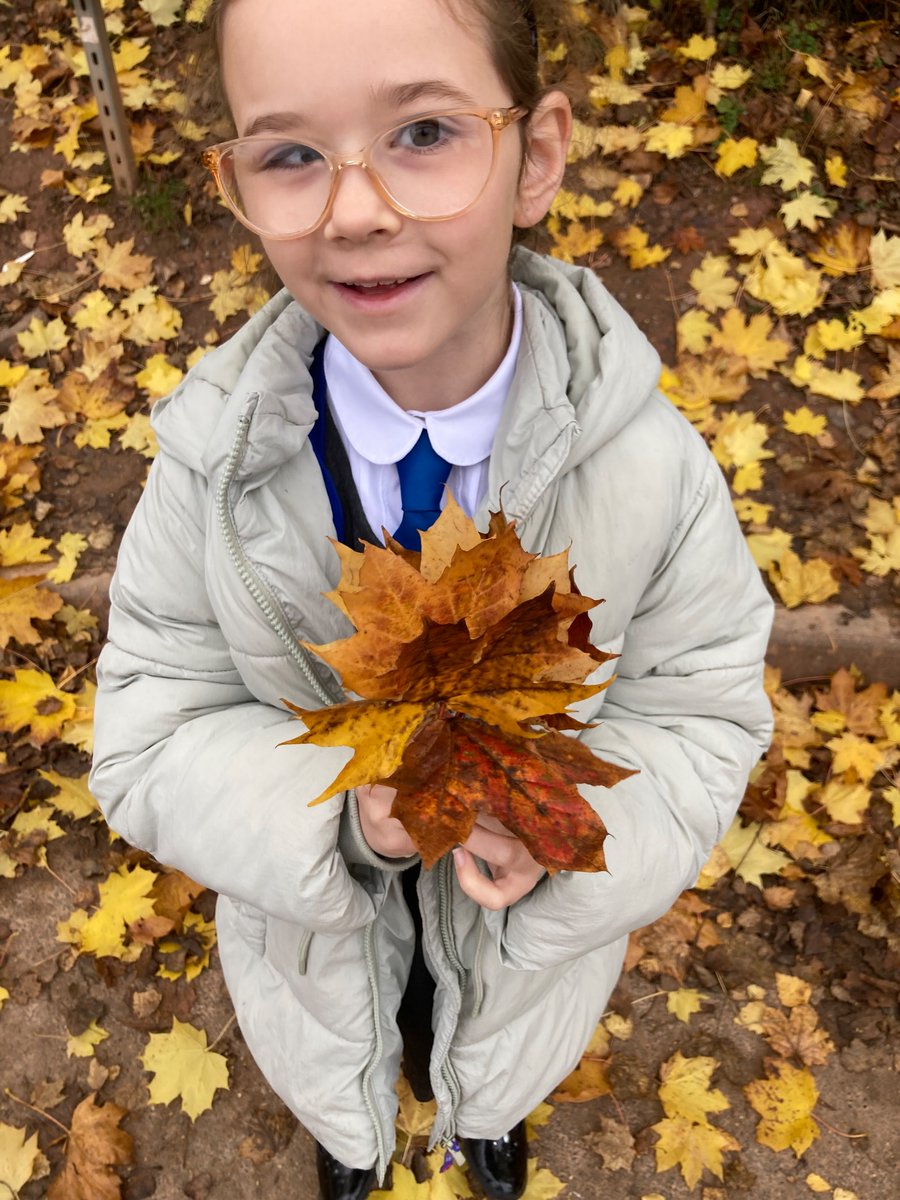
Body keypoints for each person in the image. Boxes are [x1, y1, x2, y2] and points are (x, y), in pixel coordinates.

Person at [89, 1, 774, 1197]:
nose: (356, 211)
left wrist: (570, 841)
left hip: (525, 954)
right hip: (316, 946)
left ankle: (486, 1120)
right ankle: (354, 1145)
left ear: (538, 157)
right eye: (291, 155)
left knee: (490, 1062)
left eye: (424, 133)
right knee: (347, 1071)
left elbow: (703, 715)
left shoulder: (651, 469)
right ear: (236, 179)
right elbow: (152, 732)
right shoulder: (212, 470)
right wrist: (345, 817)